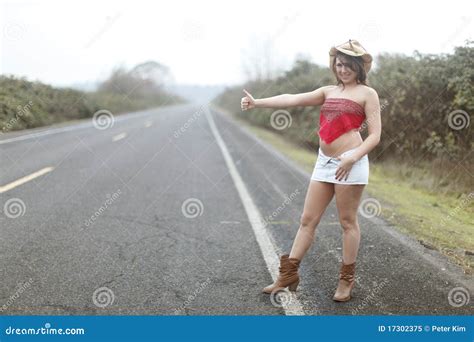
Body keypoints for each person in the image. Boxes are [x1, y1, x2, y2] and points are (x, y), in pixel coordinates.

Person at [240, 39, 381, 302]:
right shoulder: (328, 91)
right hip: (324, 162)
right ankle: (287, 276)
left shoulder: (367, 94)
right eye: (339, 64)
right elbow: (292, 99)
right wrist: (257, 103)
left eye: (349, 65)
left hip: (351, 162)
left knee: (347, 222)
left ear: (359, 67)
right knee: (307, 219)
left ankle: (346, 280)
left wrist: (352, 158)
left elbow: (375, 136)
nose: (343, 69)